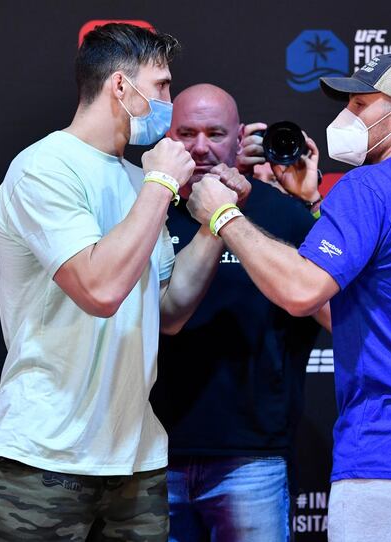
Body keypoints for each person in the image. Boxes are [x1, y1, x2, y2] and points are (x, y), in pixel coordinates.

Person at [185, 54, 391, 542]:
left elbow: (301, 292)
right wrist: (312, 203)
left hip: (389, 455)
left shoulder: (369, 187)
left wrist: (222, 218)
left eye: (362, 104)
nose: (348, 117)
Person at [0, 24, 250, 541]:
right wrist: (162, 184)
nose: (171, 101)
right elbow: (100, 291)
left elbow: (169, 311)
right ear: (121, 88)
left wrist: (218, 223)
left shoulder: (135, 179)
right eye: (163, 86)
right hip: (46, 455)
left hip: (136, 459)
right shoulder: (44, 168)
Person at [149, 83, 324, 542]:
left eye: (215, 132)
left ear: (241, 136)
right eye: (186, 132)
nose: (201, 146)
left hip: (252, 456)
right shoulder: (144, 210)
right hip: (146, 454)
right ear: (166, 136)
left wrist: (309, 201)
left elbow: (338, 306)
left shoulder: (282, 214)